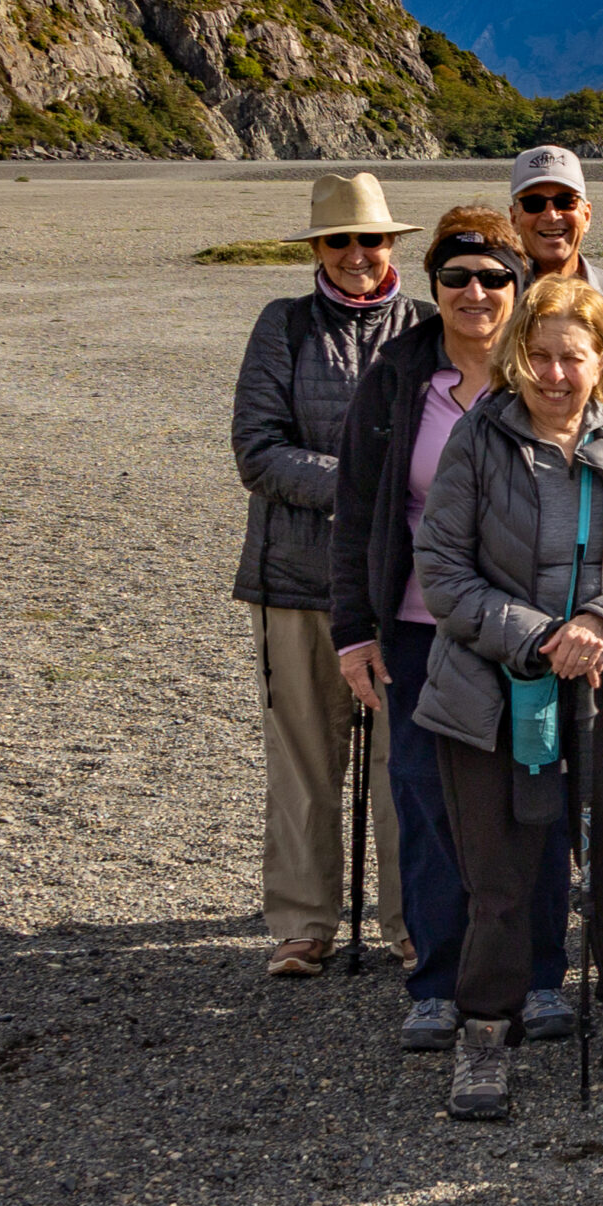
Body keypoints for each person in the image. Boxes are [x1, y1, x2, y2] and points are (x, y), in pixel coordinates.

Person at [413, 274, 603, 1119]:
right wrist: (537, 634)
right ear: (515, 357)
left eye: (570, 356)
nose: (552, 373)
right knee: (500, 873)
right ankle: (485, 1034)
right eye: (536, 356)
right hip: (490, 689)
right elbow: (443, 572)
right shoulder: (477, 440)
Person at [330, 210, 576, 1050]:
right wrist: (351, 631)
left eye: (495, 277)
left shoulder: (546, 376)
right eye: (457, 277)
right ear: (432, 287)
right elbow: (358, 510)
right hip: (418, 629)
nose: (476, 292)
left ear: (521, 285)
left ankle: (542, 973)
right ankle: (437, 979)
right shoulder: (399, 377)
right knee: (428, 803)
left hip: (532, 636)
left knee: (534, 801)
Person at [230, 171, 425, 978]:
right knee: (306, 758)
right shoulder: (283, 326)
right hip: (296, 580)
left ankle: (414, 921)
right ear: (316, 248)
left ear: (390, 245)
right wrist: (364, 486)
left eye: (370, 239)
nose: (356, 254)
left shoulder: (423, 327)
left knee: (403, 764)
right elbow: (258, 449)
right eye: (340, 240)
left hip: (406, 588)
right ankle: (303, 920)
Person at [510, 146, 603, 319]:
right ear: (514, 219)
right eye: (534, 203)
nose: (551, 215)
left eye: (565, 202)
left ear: (586, 215)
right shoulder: (494, 296)